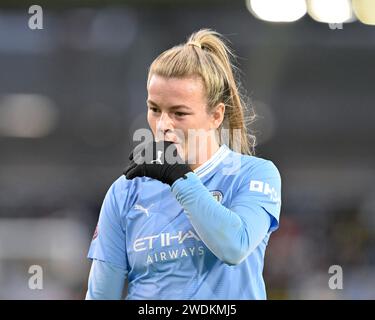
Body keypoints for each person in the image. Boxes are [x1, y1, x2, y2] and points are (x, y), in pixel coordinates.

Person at [85, 29, 282, 300]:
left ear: (215, 115)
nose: (163, 125)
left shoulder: (252, 174)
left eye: (179, 113)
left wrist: (180, 178)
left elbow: (234, 247)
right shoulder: (124, 192)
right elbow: (101, 295)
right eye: (155, 109)